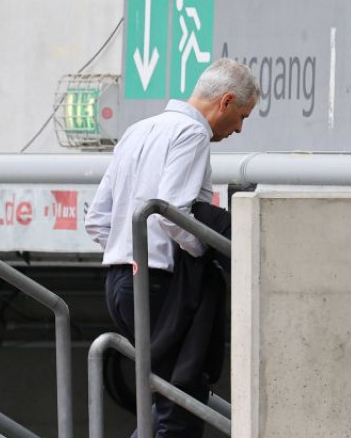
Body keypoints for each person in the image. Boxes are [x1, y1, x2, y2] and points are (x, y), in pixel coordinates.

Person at [85, 57, 259, 437]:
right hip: (160, 282)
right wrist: (203, 253)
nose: (240, 128)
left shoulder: (137, 131)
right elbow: (172, 211)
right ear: (226, 101)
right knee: (178, 404)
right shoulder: (192, 134)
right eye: (243, 116)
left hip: (120, 282)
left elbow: (97, 220)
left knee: (167, 401)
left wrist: (129, 253)